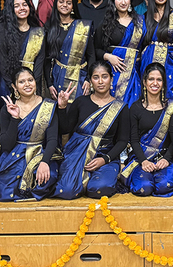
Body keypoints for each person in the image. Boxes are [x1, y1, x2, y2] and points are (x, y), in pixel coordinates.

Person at [53, 61, 130, 199]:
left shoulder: (121, 107)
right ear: (90, 81)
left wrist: (104, 159)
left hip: (105, 156)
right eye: (96, 77)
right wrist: (62, 108)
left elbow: (122, 141)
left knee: (98, 189)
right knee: (67, 191)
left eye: (104, 76)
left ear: (111, 79)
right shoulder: (81, 102)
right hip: (77, 153)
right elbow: (66, 129)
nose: (100, 81)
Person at [0, 67, 59, 201]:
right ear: (14, 87)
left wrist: (45, 162)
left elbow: (53, 139)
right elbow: (6, 145)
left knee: (46, 179)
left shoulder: (48, 106)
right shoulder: (7, 109)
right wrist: (15, 118)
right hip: (14, 155)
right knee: (3, 189)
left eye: (30, 80)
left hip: (39, 153)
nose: (27, 84)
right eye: (22, 82)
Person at [120, 63, 173, 196]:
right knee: (144, 188)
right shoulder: (135, 108)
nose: (155, 83)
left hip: (164, 158)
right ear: (145, 82)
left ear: (163, 83)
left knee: (165, 186)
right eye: (151, 79)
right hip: (142, 157)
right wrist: (144, 161)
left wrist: (167, 159)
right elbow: (134, 140)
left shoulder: (172, 107)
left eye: (159, 80)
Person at [94, 0, 145, 105]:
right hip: (113, 72)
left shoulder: (140, 22)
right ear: (113, 1)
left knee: (132, 106)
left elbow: (146, 46)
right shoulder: (106, 23)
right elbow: (95, 49)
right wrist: (109, 57)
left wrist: (139, 57)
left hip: (134, 72)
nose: (123, 2)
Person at [44, 0, 95, 104]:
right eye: (61, 2)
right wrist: (49, 84)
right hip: (58, 77)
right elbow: (47, 59)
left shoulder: (82, 27)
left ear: (73, 6)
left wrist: (88, 79)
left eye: (68, 2)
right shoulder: (50, 27)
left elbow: (91, 55)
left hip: (80, 77)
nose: (64, 5)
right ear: (56, 4)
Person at [0, 0, 44, 97]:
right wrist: (13, 86)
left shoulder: (38, 32)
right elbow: (2, 60)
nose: (22, 8)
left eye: (24, 5)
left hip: (32, 85)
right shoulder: (2, 30)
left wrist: (32, 83)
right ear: (10, 10)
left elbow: (40, 61)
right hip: (9, 85)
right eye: (16, 6)